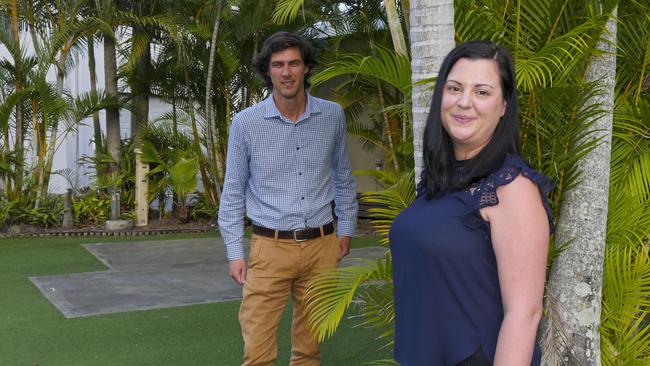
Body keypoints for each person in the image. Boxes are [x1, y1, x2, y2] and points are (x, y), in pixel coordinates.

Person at [390, 40, 554, 366]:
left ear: (504, 105)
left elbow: (524, 313)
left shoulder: (512, 187)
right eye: (455, 88)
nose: (464, 102)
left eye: (482, 92)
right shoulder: (438, 180)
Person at [218, 31, 358, 366]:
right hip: (269, 248)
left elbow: (343, 177)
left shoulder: (332, 116)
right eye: (278, 64)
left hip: (322, 246)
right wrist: (235, 252)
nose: (286, 72)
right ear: (267, 71)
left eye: (294, 63)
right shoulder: (246, 123)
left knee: (310, 350)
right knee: (258, 354)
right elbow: (233, 191)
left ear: (306, 68)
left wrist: (346, 230)